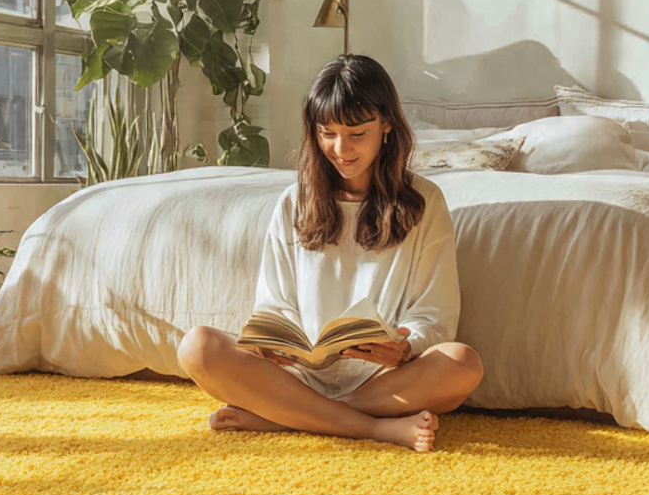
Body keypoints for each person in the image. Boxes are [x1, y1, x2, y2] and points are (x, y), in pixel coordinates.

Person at [176, 55, 484, 453]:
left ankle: (287, 417)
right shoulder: (295, 201)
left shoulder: (424, 201)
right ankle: (374, 429)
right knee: (196, 347)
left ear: (386, 126)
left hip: (382, 380)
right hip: (297, 374)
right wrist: (272, 343)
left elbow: (436, 313)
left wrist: (405, 345)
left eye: (357, 133)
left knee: (462, 363)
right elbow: (275, 303)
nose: (341, 149)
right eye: (328, 133)